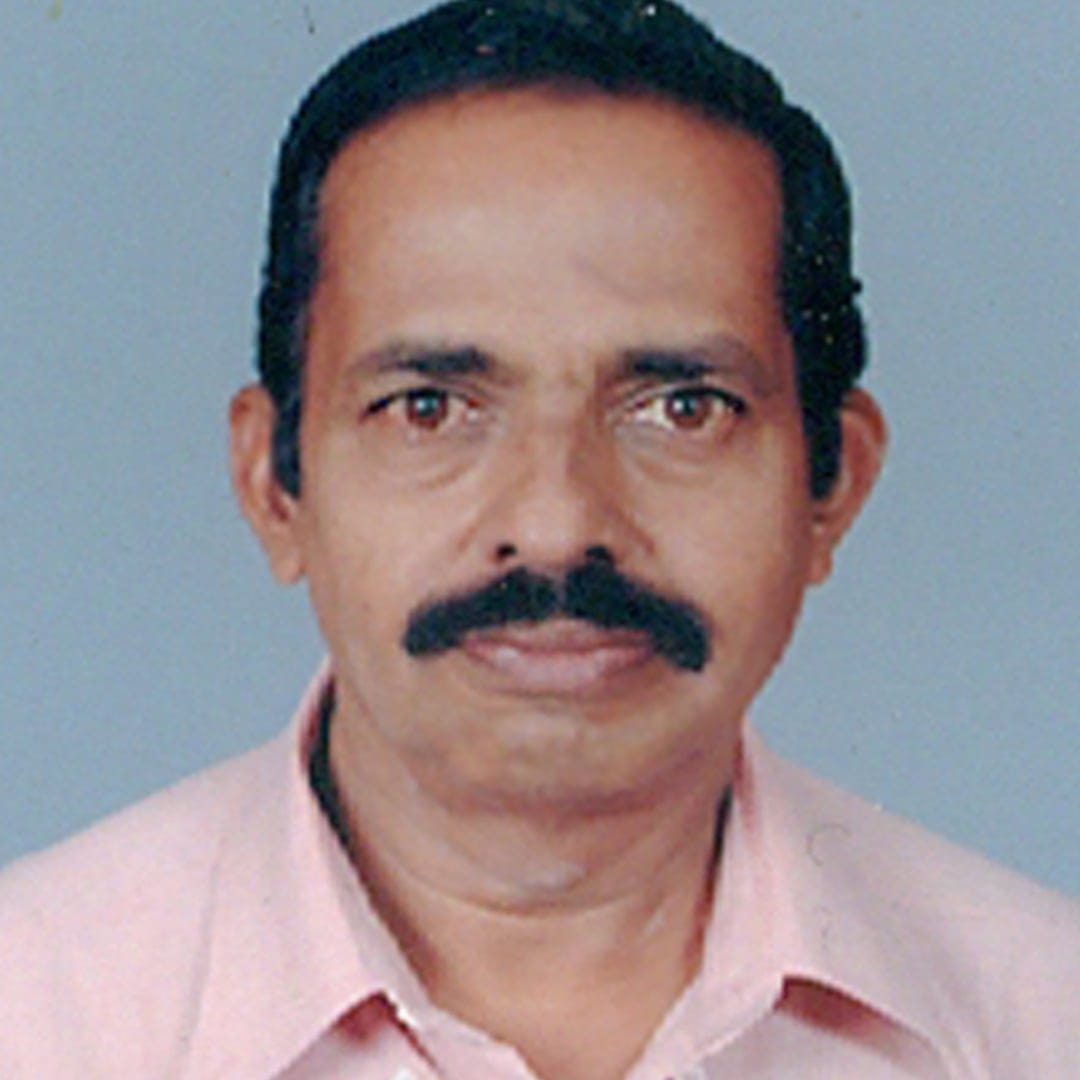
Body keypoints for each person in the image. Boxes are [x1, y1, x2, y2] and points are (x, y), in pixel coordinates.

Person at [1, 1, 1077, 1076]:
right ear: (274, 485)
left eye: (682, 409)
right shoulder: (36, 1008)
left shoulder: (1040, 1017)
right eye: (429, 408)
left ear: (832, 487)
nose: (558, 528)